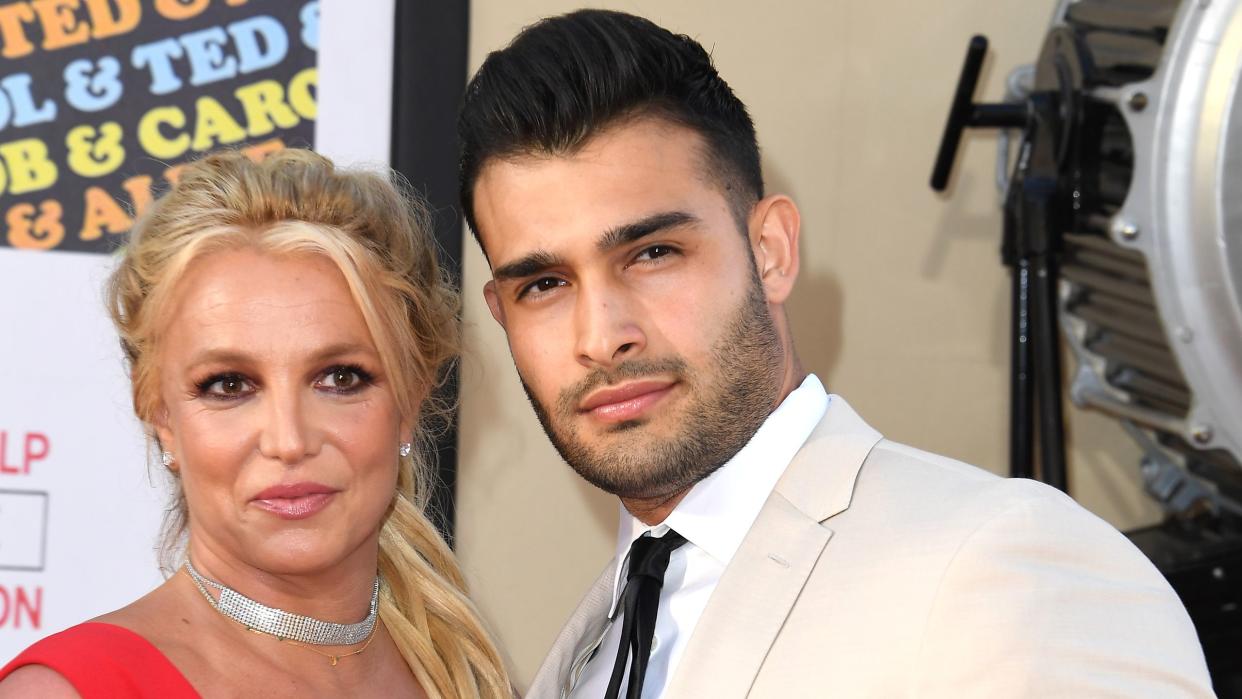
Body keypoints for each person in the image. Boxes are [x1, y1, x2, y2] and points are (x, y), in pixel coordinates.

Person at [458, 9, 1213, 698]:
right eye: (545, 283)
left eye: (654, 252)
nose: (602, 335)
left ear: (773, 251)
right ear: (502, 314)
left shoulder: (1005, 567)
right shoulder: (592, 653)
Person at [0, 150, 512, 698]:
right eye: (229, 385)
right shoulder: (69, 691)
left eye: (340, 378)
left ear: (410, 401)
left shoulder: (464, 674)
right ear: (161, 417)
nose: (289, 441)